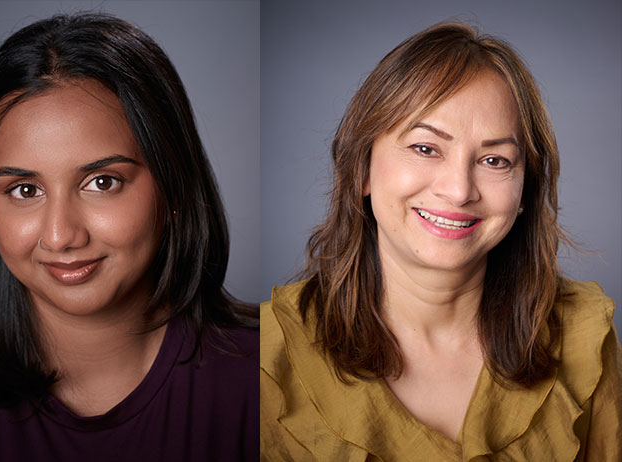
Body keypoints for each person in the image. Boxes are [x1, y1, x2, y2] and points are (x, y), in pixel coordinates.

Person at [0, 13, 259, 461]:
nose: (60, 235)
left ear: (173, 184)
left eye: (102, 182)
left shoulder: (266, 379)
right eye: (25, 190)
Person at [260, 22, 622, 460]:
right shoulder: (266, 350)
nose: (458, 190)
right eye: (426, 148)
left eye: (494, 159)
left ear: (524, 191)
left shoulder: (585, 336)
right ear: (361, 170)